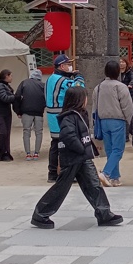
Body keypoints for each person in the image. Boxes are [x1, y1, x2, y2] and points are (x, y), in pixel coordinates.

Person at [30, 86, 123, 229]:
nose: (86, 100)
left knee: (93, 184)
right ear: (78, 100)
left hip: (82, 157)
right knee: (61, 188)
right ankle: (40, 214)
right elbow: (68, 136)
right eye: (84, 97)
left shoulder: (79, 114)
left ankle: (104, 213)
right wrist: (81, 148)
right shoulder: (69, 117)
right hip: (72, 157)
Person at [93, 60, 133, 187]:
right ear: (117, 71)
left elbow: (94, 107)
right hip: (117, 120)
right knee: (118, 150)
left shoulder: (98, 87)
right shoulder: (120, 87)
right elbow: (127, 107)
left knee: (111, 150)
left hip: (103, 121)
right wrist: (132, 123)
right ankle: (105, 173)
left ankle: (114, 177)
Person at [45, 55, 84, 183]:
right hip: (60, 116)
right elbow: (78, 88)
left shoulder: (51, 78)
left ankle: (52, 173)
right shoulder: (62, 80)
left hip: (51, 114)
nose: (70, 66)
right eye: (68, 64)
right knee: (65, 145)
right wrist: (78, 77)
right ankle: (65, 173)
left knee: (55, 144)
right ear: (62, 66)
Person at [14, 69, 46, 162]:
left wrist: (18, 111)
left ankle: (28, 154)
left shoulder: (24, 83)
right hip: (39, 112)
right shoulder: (43, 85)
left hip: (26, 111)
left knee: (26, 132)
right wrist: (42, 107)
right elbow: (47, 98)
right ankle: (36, 153)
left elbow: (17, 97)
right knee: (39, 132)